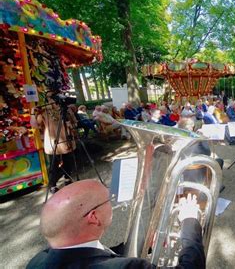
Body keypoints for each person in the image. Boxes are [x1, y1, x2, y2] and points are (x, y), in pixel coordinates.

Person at [27, 179, 205, 269]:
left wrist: (140, 245)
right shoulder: (128, 268)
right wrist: (190, 221)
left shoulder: (37, 261)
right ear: (94, 217)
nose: (113, 203)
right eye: (109, 200)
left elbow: (87, 257)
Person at [31, 92, 77, 193]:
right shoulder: (44, 111)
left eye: (54, 96)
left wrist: (71, 124)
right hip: (53, 142)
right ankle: (52, 185)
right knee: (54, 165)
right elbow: (34, 125)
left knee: (68, 161)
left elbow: (74, 122)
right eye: (50, 97)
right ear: (47, 99)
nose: (52, 99)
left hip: (66, 140)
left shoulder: (66, 109)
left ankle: (68, 180)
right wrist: (32, 113)